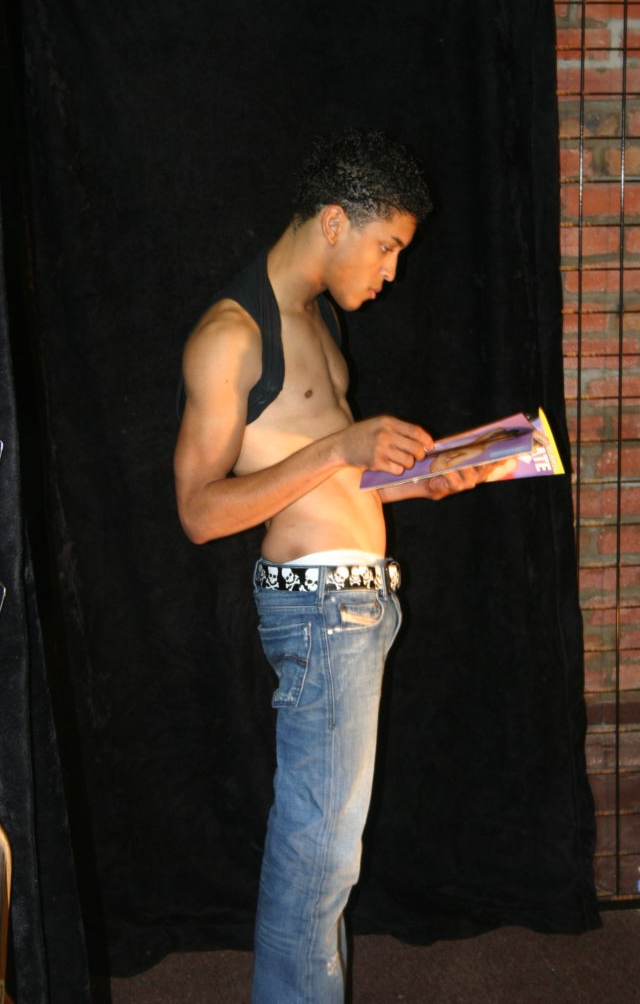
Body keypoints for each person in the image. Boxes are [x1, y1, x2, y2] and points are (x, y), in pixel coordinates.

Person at [174, 129, 496, 1004]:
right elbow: (199, 512)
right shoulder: (231, 336)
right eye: (386, 246)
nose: (392, 271)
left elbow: (328, 480)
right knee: (316, 857)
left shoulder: (316, 318)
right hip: (321, 611)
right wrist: (341, 449)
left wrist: (418, 480)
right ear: (332, 222)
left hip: (353, 608)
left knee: (327, 858)